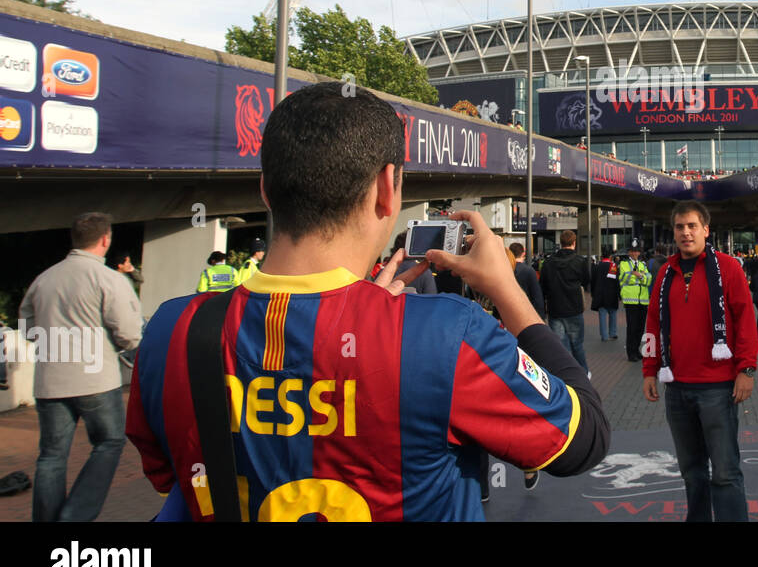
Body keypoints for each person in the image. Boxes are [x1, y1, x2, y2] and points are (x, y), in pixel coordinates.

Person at [126, 81, 608, 521]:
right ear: (387, 189)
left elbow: (170, 476)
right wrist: (506, 290)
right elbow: (582, 440)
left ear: (266, 190)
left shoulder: (172, 329)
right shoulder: (447, 335)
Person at [21, 212, 143, 521]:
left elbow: (27, 329)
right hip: (96, 382)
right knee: (109, 442)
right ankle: (75, 516)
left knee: (51, 457)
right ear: (105, 240)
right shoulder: (109, 279)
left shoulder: (43, 279)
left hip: (49, 381)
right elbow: (129, 335)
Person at [642, 201, 758, 522]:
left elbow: (745, 319)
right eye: (680, 227)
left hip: (718, 389)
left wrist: (746, 369)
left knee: (724, 472)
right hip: (676, 388)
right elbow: (653, 323)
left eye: (692, 226)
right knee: (692, 472)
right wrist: (649, 369)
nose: (686, 232)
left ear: (706, 230)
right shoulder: (665, 272)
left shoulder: (728, 268)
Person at [538, 230, 591, 373]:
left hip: (555, 309)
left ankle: (567, 376)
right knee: (577, 345)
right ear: (574, 243)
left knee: (561, 347)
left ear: (560, 243)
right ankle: (584, 373)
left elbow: (542, 286)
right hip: (574, 308)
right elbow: (586, 281)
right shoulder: (580, 261)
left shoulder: (548, 262)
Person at [617, 241, 651, 348]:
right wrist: (641, 276)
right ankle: (631, 352)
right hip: (631, 300)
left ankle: (636, 350)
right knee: (632, 327)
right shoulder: (624, 264)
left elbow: (649, 279)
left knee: (640, 328)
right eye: (633, 251)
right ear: (629, 253)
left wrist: (639, 276)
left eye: (637, 251)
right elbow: (625, 278)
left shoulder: (642, 264)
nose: (635, 253)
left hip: (643, 300)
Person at [510, 241, 545, 314]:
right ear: (523, 253)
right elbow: (536, 296)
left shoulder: (505, 269)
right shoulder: (529, 271)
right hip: (526, 311)